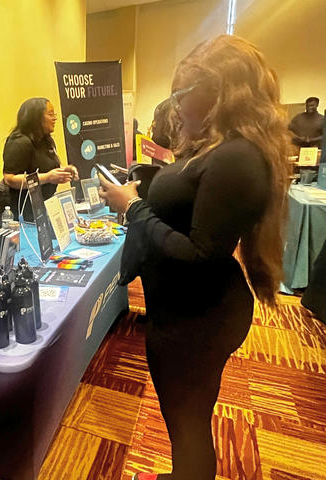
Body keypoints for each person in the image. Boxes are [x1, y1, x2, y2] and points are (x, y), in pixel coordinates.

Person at [98, 35, 289, 480]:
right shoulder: (218, 147)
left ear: (219, 89)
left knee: (187, 425)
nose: (176, 104)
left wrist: (132, 207)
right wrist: (147, 184)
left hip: (196, 320)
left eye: (183, 93)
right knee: (186, 421)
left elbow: (200, 254)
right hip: (185, 312)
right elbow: (188, 198)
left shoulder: (238, 157)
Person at [2, 97, 78, 221]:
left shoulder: (47, 140)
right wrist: (47, 177)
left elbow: (44, 170)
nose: (55, 118)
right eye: (50, 114)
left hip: (40, 207)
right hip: (19, 210)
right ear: (36, 117)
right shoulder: (20, 142)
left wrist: (63, 171)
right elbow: (10, 179)